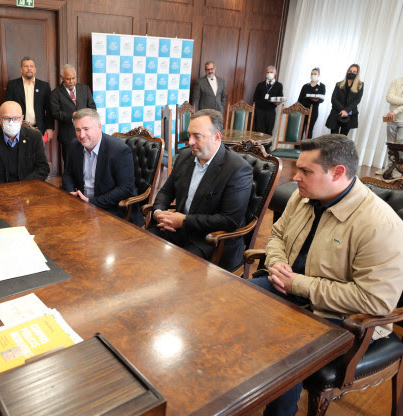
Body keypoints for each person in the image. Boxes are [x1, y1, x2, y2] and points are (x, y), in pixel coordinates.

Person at [251, 134, 403, 416]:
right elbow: (277, 235)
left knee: (287, 349)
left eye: (305, 171)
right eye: (298, 168)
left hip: (345, 316)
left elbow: (375, 302)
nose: (295, 177)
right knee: (234, 301)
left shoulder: (380, 224)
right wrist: (277, 262)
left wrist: (299, 284)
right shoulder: (303, 196)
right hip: (291, 290)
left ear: (338, 173)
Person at [149, 109, 252, 271]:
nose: (189, 142)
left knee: (179, 270)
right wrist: (159, 213)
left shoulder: (238, 169)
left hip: (212, 240)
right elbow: (166, 192)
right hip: (177, 229)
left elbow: (229, 221)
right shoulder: (185, 157)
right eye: (189, 135)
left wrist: (183, 220)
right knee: (142, 247)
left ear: (217, 137)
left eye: (197, 136)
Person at [62, 108, 140, 223]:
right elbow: (68, 174)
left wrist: (91, 202)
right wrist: (71, 193)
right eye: (78, 130)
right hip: (80, 205)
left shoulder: (119, 150)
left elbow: (125, 188)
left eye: (86, 129)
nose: (81, 135)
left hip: (112, 208)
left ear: (99, 127)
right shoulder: (74, 145)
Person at [0, 101, 50, 185]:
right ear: (0, 118)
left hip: (27, 189)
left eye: (16, 118)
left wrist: (23, 186)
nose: (11, 122)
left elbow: (43, 168)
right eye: (7, 118)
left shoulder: (34, 136)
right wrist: (5, 188)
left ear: (22, 118)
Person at [50, 65, 96, 163]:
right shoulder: (55, 93)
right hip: (68, 135)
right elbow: (55, 113)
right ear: (61, 78)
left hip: (87, 134)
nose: (71, 81)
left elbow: (92, 107)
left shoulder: (85, 89)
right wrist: (71, 116)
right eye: (68, 79)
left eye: (73, 78)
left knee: (88, 162)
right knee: (70, 163)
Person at [4, 57, 54, 139]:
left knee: (38, 151)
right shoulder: (12, 85)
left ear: (35, 69)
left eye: (31, 66)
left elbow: (49, 109)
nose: (29, 68)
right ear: (21, 69)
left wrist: (49, 128)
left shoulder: (44, 86)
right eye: (26, 66)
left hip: (39, 128)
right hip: (18, 128)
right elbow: (7, 108)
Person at [325, 64, 364, 136]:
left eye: (354, 72)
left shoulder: (360, 85)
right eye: (350, 71)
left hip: (349, 114)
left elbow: (357, 100)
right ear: (347, 71)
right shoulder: (339, 84)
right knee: (333, 138)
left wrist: (346, 111)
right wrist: (342, 110)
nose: (351, 73)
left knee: (343, 138)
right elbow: (333, 99)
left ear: (357, 74)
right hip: (336, 113)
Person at [253, 65, 284, 135]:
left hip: (271, 111)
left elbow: (280, 98)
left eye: (271, 72)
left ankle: (268, 146)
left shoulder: (279, 85)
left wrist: (277, 102)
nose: (269, 74)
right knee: (258, 130)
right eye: (268, 72)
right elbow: (255, 98)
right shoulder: (260, 85)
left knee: (269, 131)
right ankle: (257, 146)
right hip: (260, 111)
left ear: (275, 73)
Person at [297, 67, 326, 139]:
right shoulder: (305, 86)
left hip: (313, 111)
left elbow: (322, 100)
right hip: (303, 110)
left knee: (309, 130)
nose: (313, 75)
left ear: (319, 75)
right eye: (312, 74)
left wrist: (316, 100)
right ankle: (297, 148)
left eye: (315, 74)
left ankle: (308, 148)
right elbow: (299, 100)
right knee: (300, 130)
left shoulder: (322, 86)